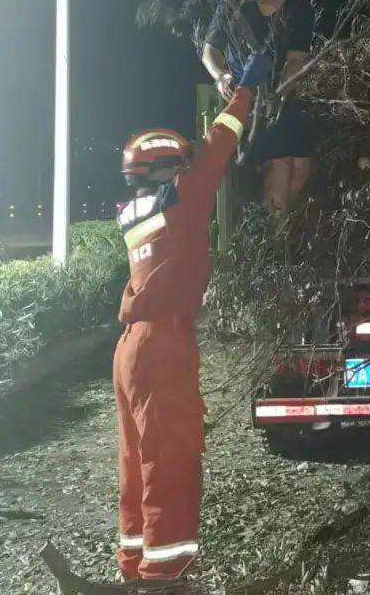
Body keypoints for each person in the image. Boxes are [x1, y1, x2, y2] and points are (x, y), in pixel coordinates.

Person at [111, 53, 270, 583]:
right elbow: (219, 145)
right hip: (161, 349)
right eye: (179, 164)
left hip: (132, 348)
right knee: (171, 458)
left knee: (137, 459)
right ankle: (166, 573)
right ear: (165, 171)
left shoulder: (134, 212)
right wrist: (245, 89)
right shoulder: (181, 202)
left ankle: (135, 563)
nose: (187, 168)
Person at [202, 0, 316, 218]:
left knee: (300, 170)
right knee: (281, 164)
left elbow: (296, 59)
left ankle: (273, 225)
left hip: (283, 94)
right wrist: (222, 76)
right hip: (245, 96)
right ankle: (274, 241)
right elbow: (210, 51)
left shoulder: (298, 8)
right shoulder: (235, 3)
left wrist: (278, 95)